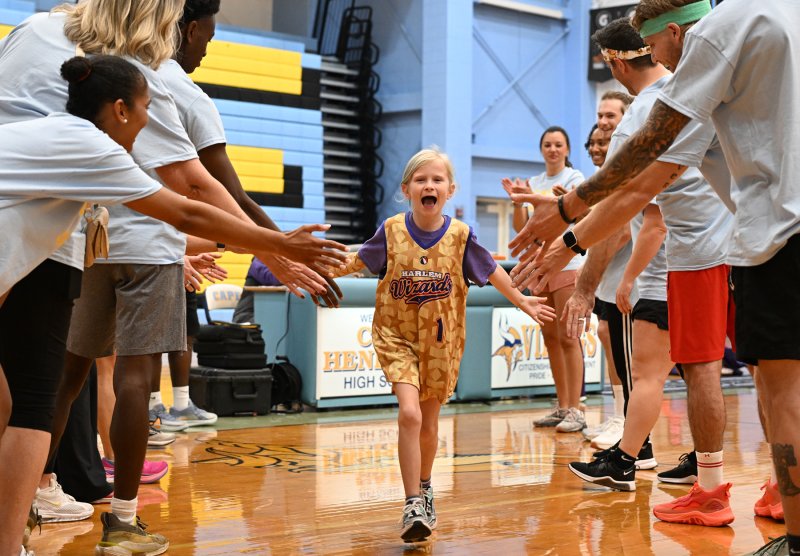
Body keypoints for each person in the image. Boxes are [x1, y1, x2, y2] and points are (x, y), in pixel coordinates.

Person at [0, 54, 345, 555]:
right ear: (120, 109)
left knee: (15, 403)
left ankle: (23, 514)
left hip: (93, 270)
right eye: (147, 107)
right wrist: (280, 245)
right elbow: (184, 207)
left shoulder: (57, 138)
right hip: (142, 263)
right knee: (52, 398)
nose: (150, 121)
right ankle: (111, 520)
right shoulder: (94, 148)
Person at [512, 1, 800, 551]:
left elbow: (643, 191)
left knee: (726, 382)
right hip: (739, 246)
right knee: (748, 383)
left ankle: (696, 482)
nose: (661, 59)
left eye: (658, 46)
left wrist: (570, 224)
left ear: (670, 33)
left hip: (753, 244)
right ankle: (753, 488)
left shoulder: (709, 44)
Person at [334, 148, 556, 542]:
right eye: (421, 180)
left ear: (450, 190)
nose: (429, 185)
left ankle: (425, 486)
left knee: (429, 421)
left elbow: (491, 271)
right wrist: (308, 263)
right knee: (409, 414)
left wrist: (522, 300)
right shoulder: (390, 231)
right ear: (406, 189)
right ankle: (411, 503)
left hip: (441, 342)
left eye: (437, 179)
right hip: (396, 336)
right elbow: (354, 261)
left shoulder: (460, 236)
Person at [567, 18, 736, 530]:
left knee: (663, 371)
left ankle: (647, 463)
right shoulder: (701, 94)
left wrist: (581, 267)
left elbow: (636, 211)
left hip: (686, 261)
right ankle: (708, 470)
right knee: (743, 369)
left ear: (616, 62)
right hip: (732, 247)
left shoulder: (652, 110)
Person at [502, 127, 587, 433]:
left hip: (568, 262)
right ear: (541, 150)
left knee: (568, 336)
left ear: (566, 149)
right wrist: (516, 202)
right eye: (548, 145)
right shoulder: (535, 183)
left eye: (558, 145)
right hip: (539, 266)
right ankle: (563, 406)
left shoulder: (575, 179)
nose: (553, 149)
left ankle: (577, 409)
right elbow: (522, 227)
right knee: (551, 337)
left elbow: (579, 217)